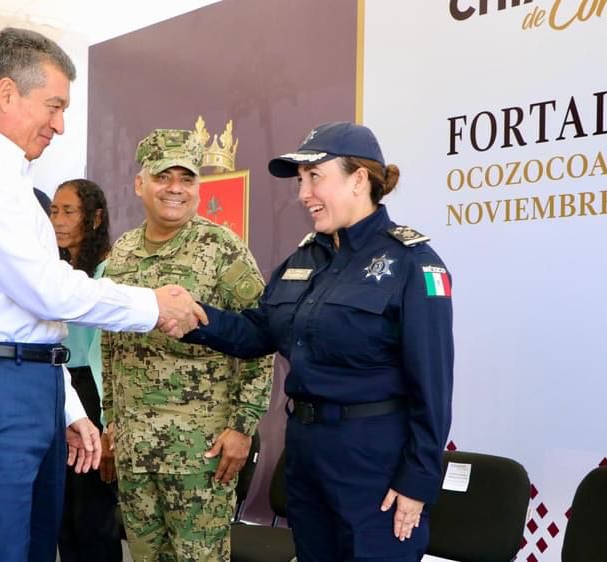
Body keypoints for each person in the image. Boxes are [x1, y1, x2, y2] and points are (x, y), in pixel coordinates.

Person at [0, 28, 205, 562]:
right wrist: (152, 305)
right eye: (53, 105)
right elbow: (43, 290)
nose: (60, 124)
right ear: (7, 93)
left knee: (32, 550)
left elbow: (24, 316)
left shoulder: (8, 179)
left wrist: (64, 405)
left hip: (23, 385)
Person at [182, 121, 454, 561]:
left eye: (315, 177)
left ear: (359, 179)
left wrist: (417, 481)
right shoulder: (305, 256)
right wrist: (195, 318)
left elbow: (433, 390)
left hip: (374, 461)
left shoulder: (412, 262)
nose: (303, 193)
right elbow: (258, 331)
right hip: (307, 453)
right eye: (301, 180)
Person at [101, 128, 274, 562]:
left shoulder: (221, 248)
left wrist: (243, 428)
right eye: (163, 176)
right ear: (140, 184)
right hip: (135, 448)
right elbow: (110, 344)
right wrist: (110, 419)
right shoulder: (121, 254)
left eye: (187, 178)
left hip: (201, 451)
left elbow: (262, 337)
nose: (175, 188)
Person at [50, 179, 122, 562]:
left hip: (93, 390)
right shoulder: (53, 272)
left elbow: (110, 353)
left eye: (68, 211)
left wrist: (109, 422)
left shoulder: (110, 270)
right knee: (62, 509)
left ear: (94, 218)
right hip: (58, 385)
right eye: (54, 211)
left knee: (93, 512)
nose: (58, 221)